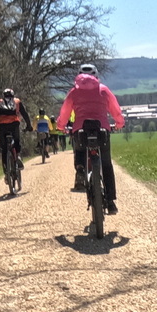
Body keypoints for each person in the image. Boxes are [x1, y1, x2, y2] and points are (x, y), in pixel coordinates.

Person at [56, 63, 126, 213]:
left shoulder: (74, 92)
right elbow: (115, 110)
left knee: (80, 150)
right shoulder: (104, 90)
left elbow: (65, 112)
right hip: (102, 130)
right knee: (106, 164)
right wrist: (119, 124)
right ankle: (111, 202)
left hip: (81, 129)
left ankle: (80, 169)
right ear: (96, 75)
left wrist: (61, 126)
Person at [0, 87, 34, 170]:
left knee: (4, 148)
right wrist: (29, 126)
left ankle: (5, 169)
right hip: (14, 124)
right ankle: (18, 156)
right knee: (16, 141)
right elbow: (25, 114)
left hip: (2, 126)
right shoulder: (17, 101)